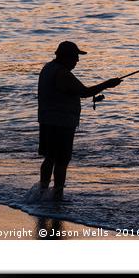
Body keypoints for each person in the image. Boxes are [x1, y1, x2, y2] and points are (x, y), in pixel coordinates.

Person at [37, 40, 122, 199]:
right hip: (60, 123)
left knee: (50, 157)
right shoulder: (62, 73)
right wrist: (107, 84)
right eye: (75, 56)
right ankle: (57, 196)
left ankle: (42, 191)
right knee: (62, 160)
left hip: (47, 120)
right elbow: (84, 92)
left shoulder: (47, 68)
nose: (77, 60)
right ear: (66, 57)